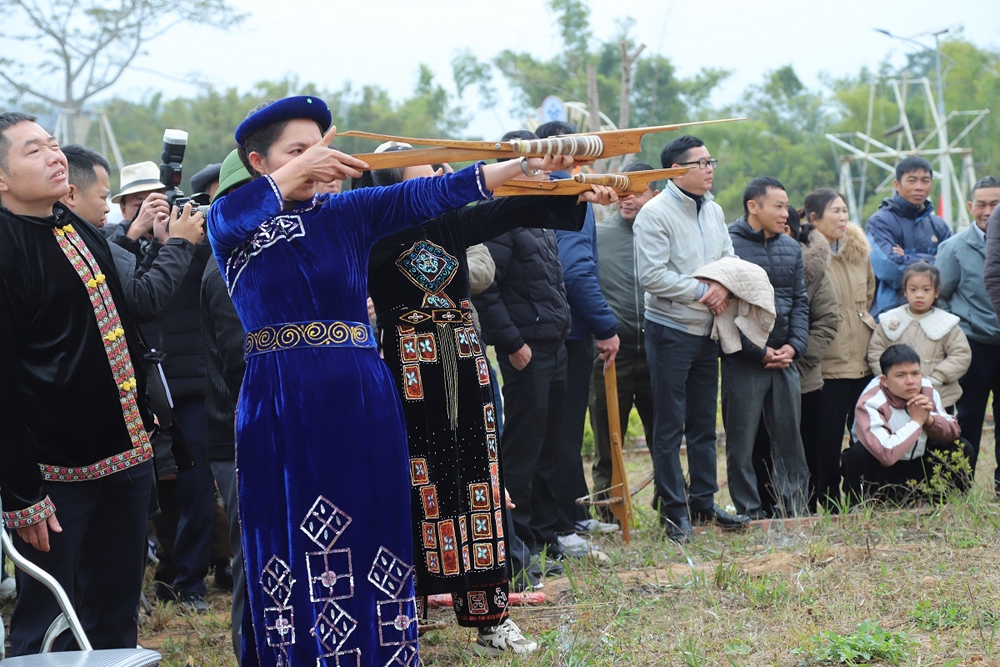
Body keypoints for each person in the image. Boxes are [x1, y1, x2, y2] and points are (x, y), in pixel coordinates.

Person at [206, 96, 577, 667]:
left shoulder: (346, 215)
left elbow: (432, 193)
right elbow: (231, 220)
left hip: (360, 390)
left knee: (371, 518)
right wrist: (303, 170)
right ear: (259, 162)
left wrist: (520, 168)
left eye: (321, 147)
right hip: (279, 394)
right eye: (297, 151)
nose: (317, 161)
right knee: (287, 525)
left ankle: (381, 651)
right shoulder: (233, 223)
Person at [364, 143, 615, 655]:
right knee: (410, 487)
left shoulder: (451, 221)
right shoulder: (369, 229)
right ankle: (402, 614)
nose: (441, 172)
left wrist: (572, 189)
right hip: (403, 373)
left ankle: (489, 620)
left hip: (464, 362)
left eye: (440, 164)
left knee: (479, 484)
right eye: (428, 167)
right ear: (392, 181)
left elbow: (511, 206)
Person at [0, 112, 155, 654]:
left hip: (127, 462)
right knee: (48, 624)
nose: (55, 155)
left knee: (114, 618)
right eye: (33, 151)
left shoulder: (73, 226)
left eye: (52, 144)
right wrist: (22, 496)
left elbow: (122, 328)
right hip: (53, 480)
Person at [633, 134, 748, 542]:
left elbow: (729, 256)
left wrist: (726, 285)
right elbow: (651, 276)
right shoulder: (656, 213)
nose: (710, 167)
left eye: (710, 160)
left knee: (703, 423)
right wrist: (706, 291)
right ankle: (674, 511)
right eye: (701, 162)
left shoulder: (713, 210)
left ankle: (703, 503)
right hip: (671, 330)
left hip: (709, 330)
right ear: (677, 170)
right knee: (669, 426)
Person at [472, 130, 575, 566]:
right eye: (531, 162)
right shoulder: (500, 216)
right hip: (526, 349)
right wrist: (512, 343)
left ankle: (547, 534)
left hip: (555, 343)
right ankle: (520, 544)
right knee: (523, 450)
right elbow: (486, 287)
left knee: (551, 445)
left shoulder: (539, 213)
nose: (541, 169)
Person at [534, 121, 620, 548]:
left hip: (560, 326)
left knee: (564, 431)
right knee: (561, 433)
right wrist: (605, 325)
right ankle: (560, 525)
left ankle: (572, 513)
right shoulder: (570, 193)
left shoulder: (564, 189)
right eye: (585, 149)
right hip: (566, 329)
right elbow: (576, 271)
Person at [723, 177, 810, 518]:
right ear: (753, 207)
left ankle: (796, 509)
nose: (785, 213)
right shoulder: (728, 246)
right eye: (778, 205)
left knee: (790, 439)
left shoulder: (791, 247)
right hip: (744, 360)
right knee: (741, 442)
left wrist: (795, 346)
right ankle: (748, 510)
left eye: (786, 206)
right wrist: (757, 352)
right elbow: (726, 311)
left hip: (785, 357)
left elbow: (800, 301)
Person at [752, 206, 839, 515]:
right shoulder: (745, 262)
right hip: (756, 371)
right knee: (759, 446)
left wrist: (794, 356)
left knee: (806, 445)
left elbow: (827, 321)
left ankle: (806, 509)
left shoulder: (813, 271)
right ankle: (764, 508)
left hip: (803, 377)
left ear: (790, 230)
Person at [200, 149, 252, 663]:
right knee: (254, 558)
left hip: (261, 423)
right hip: (243, 428)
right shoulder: (229, 266)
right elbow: (246, 360)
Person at [589, 162, 658, 520]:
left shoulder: (663, 232)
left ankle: (671, 506)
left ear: (655, 194)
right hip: (609, 356)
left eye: (638, 192)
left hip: (657, 354)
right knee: (607, 442)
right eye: (623, 191)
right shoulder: (597, 234)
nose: (628, 199)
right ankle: (608, 513)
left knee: (662, 439)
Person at [800, 188, 876, 511]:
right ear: (814, 218)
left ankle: (861, 496)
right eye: (835, 211)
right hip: (827, 364)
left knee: (864, 437)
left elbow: (869, 294)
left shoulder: (859, 252)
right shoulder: (806, 254)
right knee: (825, 440)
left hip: (862, 358)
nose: (843, 217)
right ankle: (827, 502)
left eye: (845, 210)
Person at [844, 344, 971, 503]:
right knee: (858, 455)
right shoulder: (871, 401)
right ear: (885, 380)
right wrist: (917, 421)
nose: (910, 381)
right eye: (901, 375)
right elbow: (885, 454)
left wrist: (930, 421)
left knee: (961, 447)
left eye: (915, 373)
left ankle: (944, 504)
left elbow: (953, 430)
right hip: (882, 472)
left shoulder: (926, 389)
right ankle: (867, 506)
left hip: (917, 465)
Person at [938, 176, 1000, 487]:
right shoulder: (954, 248)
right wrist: (959, 332)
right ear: (970, 206)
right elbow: (941, 296)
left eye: (995, 203)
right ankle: (959, 486)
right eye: (982, 204)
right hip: (974, 345)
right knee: (969, 417)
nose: (988, 210)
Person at [867, 263, 971, 413]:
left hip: (938, 396)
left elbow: (961, 354)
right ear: (905, 291)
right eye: (913, 289)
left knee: (937, 434)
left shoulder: (947, 324)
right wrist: (891, 380)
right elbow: (875, 352)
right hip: (894, 399)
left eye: (926, 290)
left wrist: (937, 377)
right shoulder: (889, 321)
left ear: (936, 292)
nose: (919, 295)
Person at [867, 156, 952, 317]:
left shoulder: (938, 225)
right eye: (912, 181)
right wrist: (933, 258)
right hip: (892, 315)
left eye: (925, 181)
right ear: (896, 184)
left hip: (936, 314)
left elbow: (952, 268)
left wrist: (906, 257)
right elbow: (889, 269)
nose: (919, 187)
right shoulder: (879, 222)